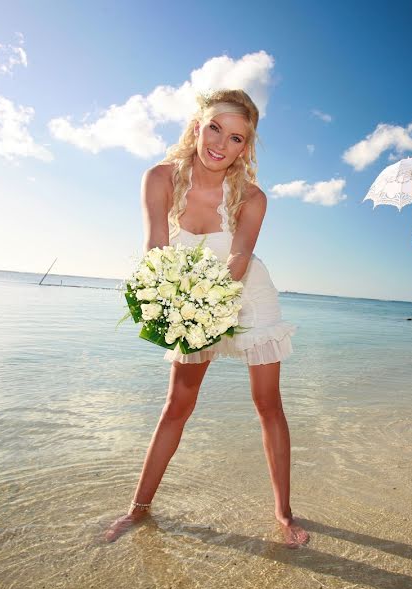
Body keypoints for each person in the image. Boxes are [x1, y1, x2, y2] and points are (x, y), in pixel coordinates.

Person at [106, 89, 308, 545]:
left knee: (267, 403)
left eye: (237, 138)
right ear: (198, 124)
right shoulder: (159, 178)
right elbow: (157, 248)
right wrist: (175, 307)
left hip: (245, 293)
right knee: (178, 403)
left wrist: (210, 306)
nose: (221, 144)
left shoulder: (252, 197)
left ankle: (284, 512)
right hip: (190, 296)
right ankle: (137, 510)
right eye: (215, 127)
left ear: (246, 147)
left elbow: (239, 257)